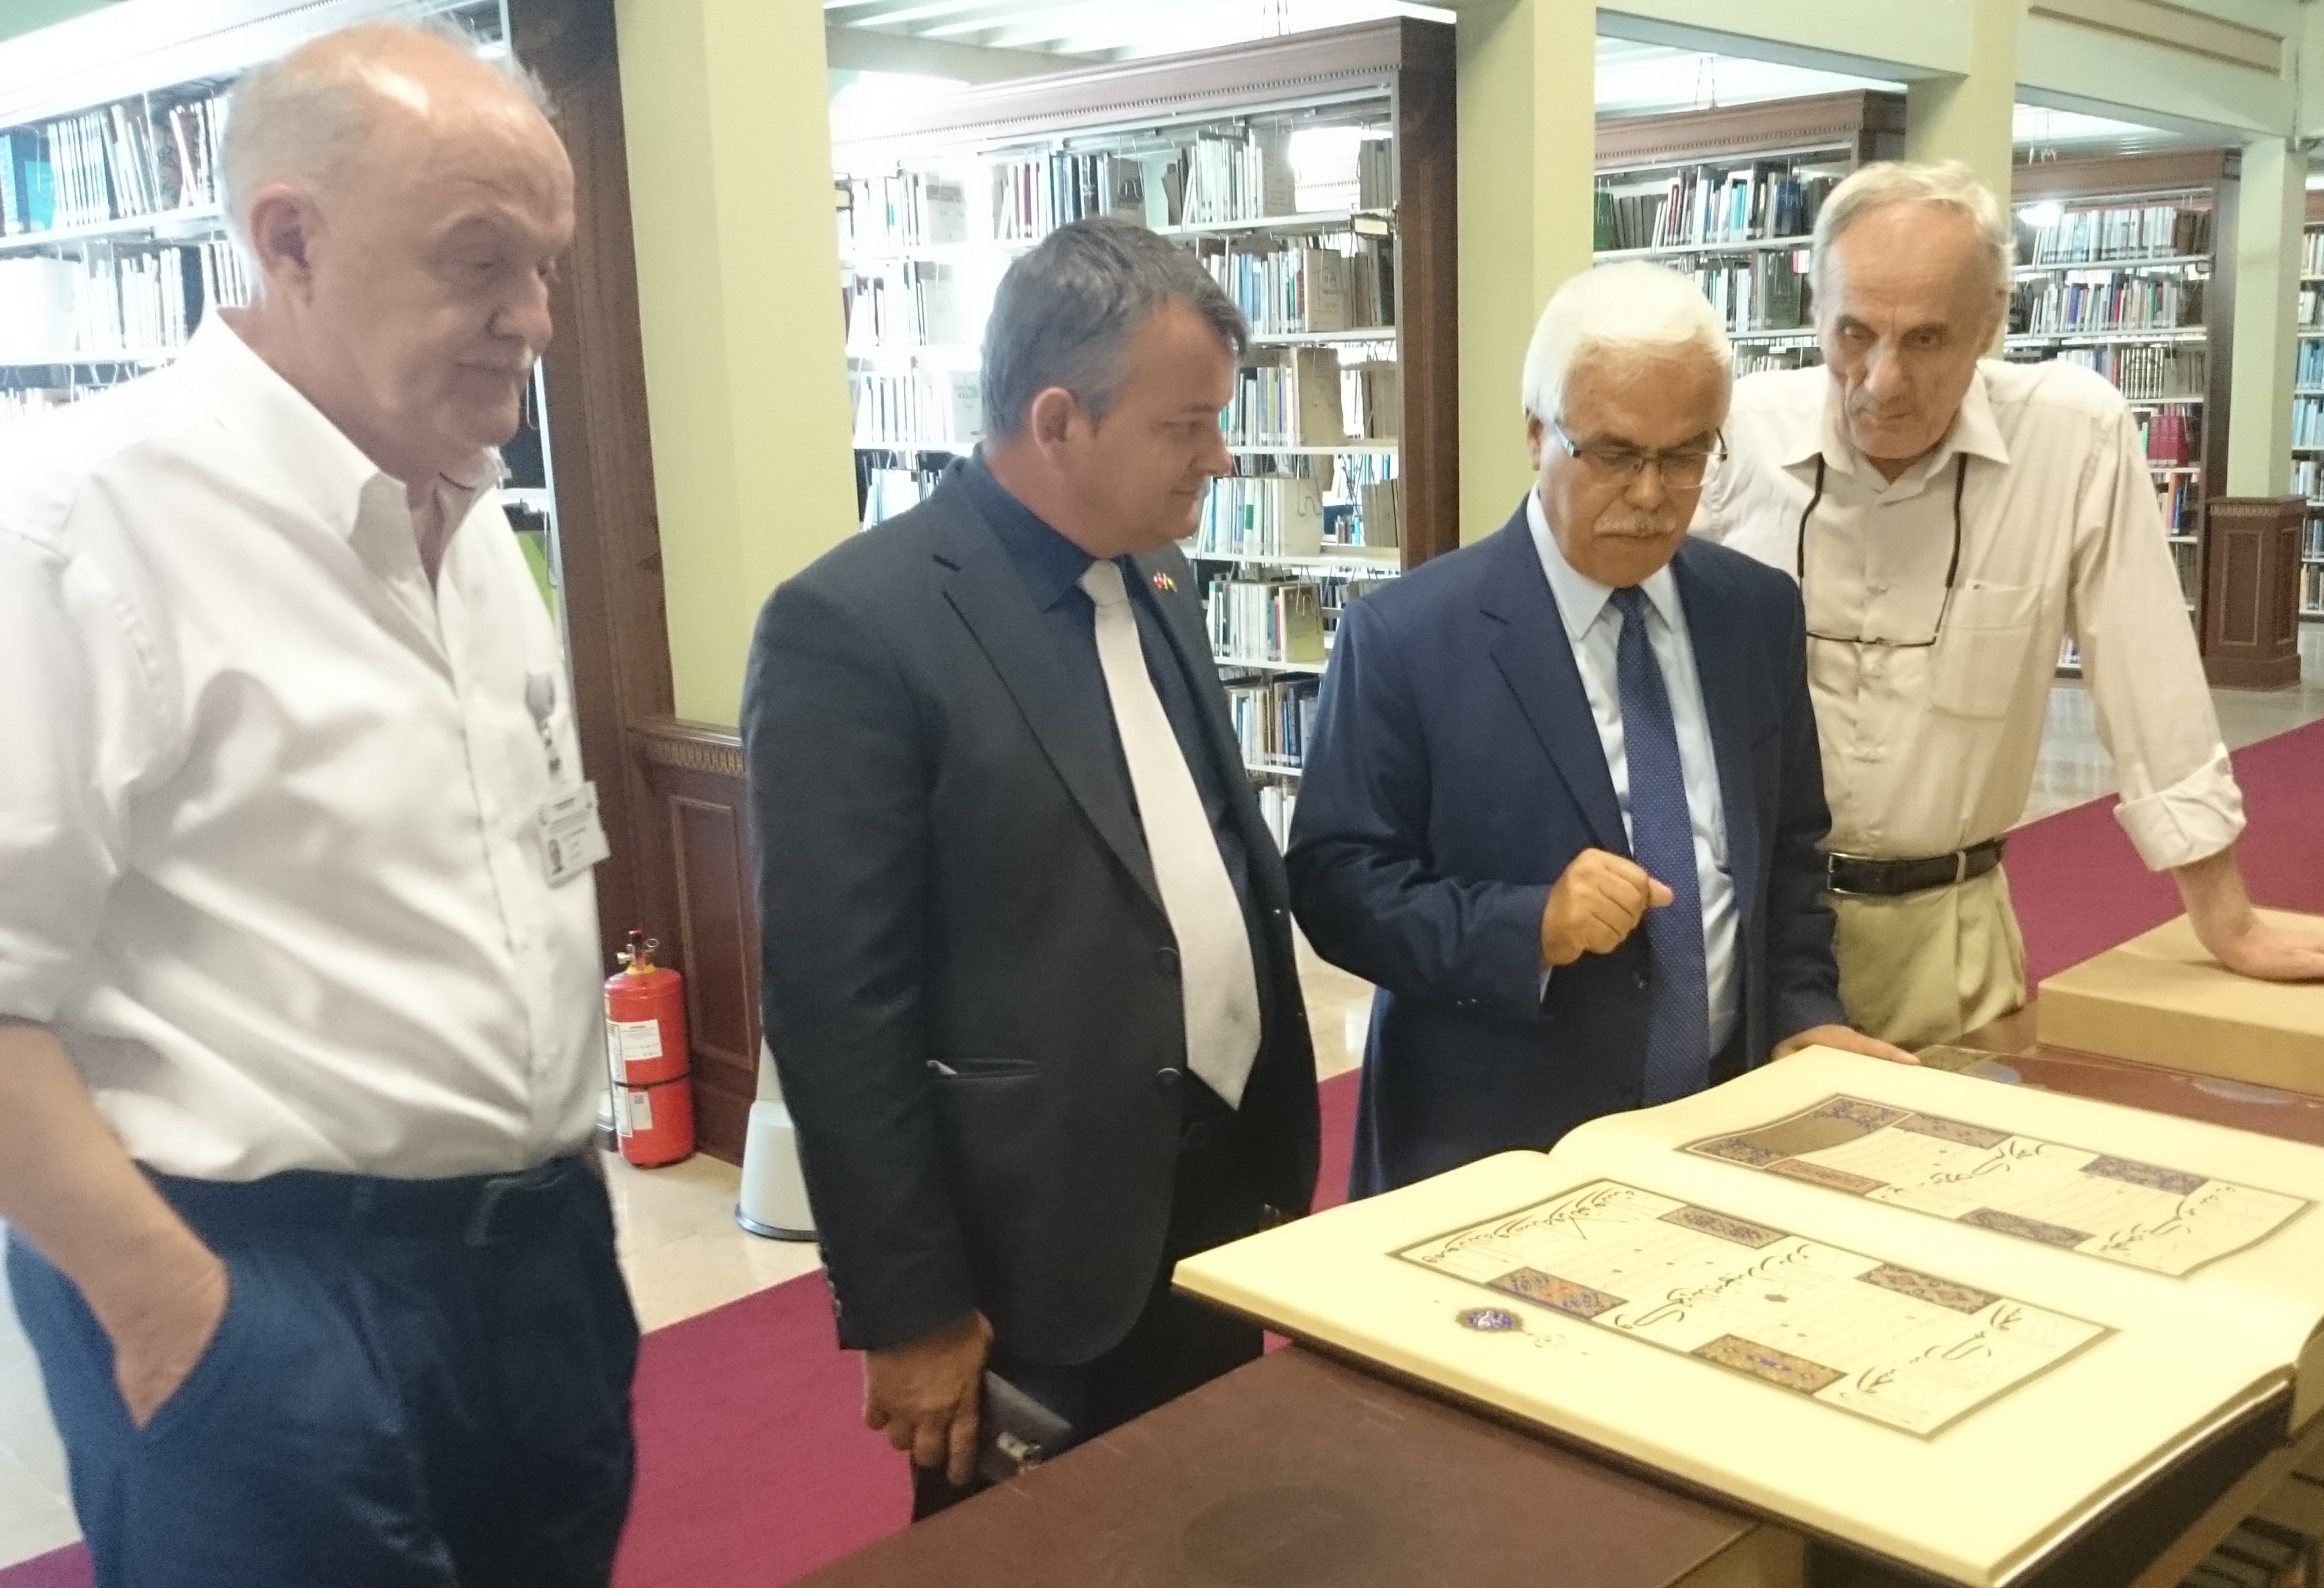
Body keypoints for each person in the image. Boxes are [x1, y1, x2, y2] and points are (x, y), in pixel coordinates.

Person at [0, 24, 634, 1588]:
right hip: (263, 1285)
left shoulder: (470, 516)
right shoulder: (75, 526)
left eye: (546, 267)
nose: (534, 318)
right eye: (480, 261)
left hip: (536, 1270)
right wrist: (171, 1312)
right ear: (289, 239)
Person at [745, 216, 1319, 1517]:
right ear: (1060, 422)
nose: (1221, 458)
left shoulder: (1158, 578)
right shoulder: (857, 626)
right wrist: (907, 1305)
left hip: (1216, 1197)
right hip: (1033, 1256)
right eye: (1185, 427)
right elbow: (837, 1009)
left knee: (1212, 1530)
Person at [1691, 161, 2324, 1051]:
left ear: (1991, 323)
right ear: (1816, 310)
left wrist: (2228, 920)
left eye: (1926, 340)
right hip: (1750, 935)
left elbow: (2148, 677)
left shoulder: (2073, 436)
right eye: (1855, 334)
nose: (1882, 380)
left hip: (1953, 943)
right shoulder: (1728, 438)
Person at [1288, 263, 1904, 1198]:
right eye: (1613, 454)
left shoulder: (1755, 615)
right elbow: (1339, 888)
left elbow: (1787, 850)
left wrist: (1802, 1010)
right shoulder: (1409, 638)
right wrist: (1526, 925)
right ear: (1538, 434)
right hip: (1497, 1152)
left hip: (1723, 1128)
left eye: (1686, 456)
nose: (1652, 494)